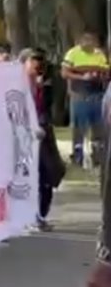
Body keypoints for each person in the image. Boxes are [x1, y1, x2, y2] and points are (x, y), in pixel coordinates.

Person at [19, 48, 64, 231]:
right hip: (24, 137)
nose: (37, 65)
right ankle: (29, 216)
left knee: (49, 174)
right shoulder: (15, 86)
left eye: (40, 62)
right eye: (33, 61)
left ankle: (40, 215)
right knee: (28, 177)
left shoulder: (44, 85)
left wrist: (42, 87)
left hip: (43, 134)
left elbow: (46, 109)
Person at [62, 31, 109, 168]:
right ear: (80, 42)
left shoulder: (99, 54)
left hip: (97, 95)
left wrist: (100, 76)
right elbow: (64, 73)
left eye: (91, 42)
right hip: (79, 95)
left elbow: (106, 71)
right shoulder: (72, 53)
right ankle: (77, 156)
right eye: (86, 41)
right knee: (79, 128)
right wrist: (82, 77)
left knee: (98, 128)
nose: (89, 44)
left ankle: (98, 157)